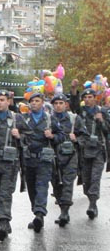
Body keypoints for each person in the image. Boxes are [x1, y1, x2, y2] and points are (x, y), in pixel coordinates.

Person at [0, 90, 28, 241]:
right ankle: (4, 217)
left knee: (5, 193)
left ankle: (3, 223)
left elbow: (29, 137)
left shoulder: (17, 119)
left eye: (2, 100)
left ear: (8, 101)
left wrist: (20, 136)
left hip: (10, 163)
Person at [19, 92, 62, 232]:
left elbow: (62, 135)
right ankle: (37, 214)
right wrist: (17, 135)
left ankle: (39, 214)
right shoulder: (24, 119)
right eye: (32, 101)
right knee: (31, 188)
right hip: (29, 159)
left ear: (42, 103)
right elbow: (16, 135)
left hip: (44, 159)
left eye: (37, 101)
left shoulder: (50, 119)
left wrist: (53, 136)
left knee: (42, 186)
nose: (34, 103)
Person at [69, 82, 109, 219]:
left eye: (90, 97)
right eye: (85, 97)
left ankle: (92, 204)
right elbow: (73, 105)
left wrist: (102, 121)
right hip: (84, 149)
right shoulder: (81, 112)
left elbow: (107, 130)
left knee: (95, 177)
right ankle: (90, 196)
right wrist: (74, 90)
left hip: (98, 149)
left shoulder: (102, 111)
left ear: (95, 98)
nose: (87, 99)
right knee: (86, 179)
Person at [50, 93, 87, 226]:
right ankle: (61, 208)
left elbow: (84, 136)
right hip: (53, 156)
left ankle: (65, 211)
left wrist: (76, 139)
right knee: (55, 184)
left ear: (66, 104)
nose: (59, 106)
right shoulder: (48, 119)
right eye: (56, 103)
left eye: (61, 103)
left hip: (70, 155)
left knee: (67, 182)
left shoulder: (74, 119)